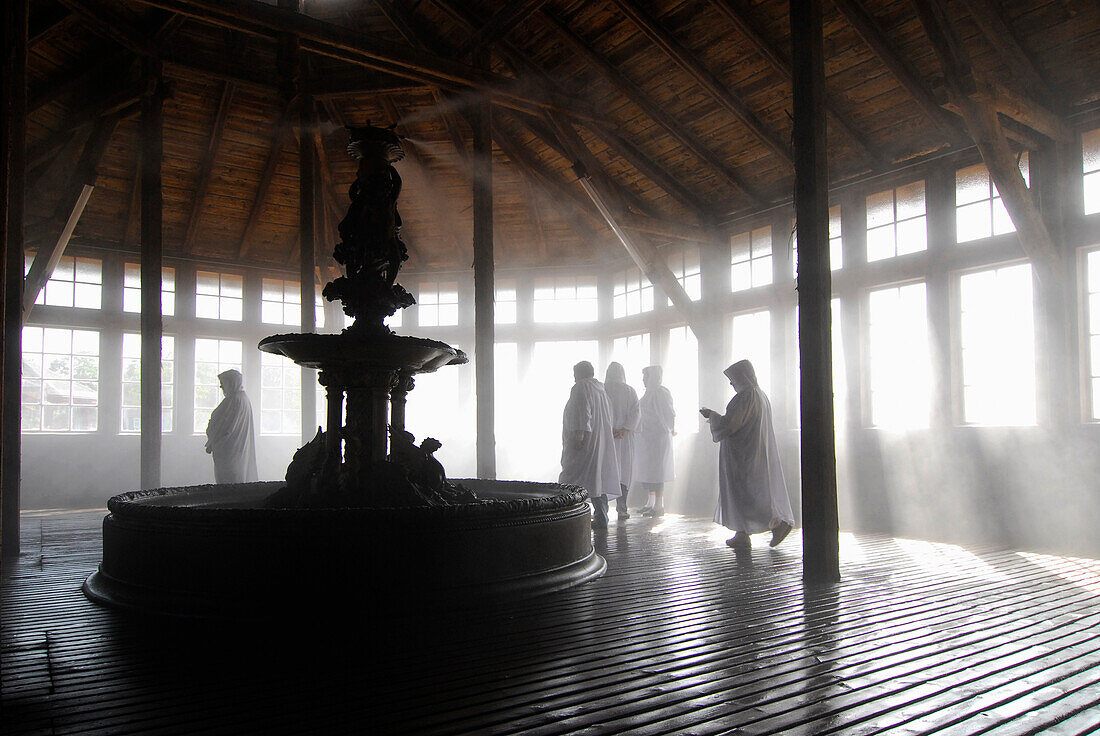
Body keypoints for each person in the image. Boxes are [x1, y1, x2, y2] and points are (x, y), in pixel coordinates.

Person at [701, 359, 794, 550]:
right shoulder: (760, 395)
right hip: (754, 450)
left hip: (743, 454)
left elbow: (731, 425)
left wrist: (712, 415)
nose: (731, 383)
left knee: (746, 493)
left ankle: (776, 523)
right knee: (749, 492)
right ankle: (742, 533)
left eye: (733, 378)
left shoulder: (745, 397)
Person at [560, 360, 620, 530]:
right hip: (599, 440)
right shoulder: (600, 390)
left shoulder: (581, 387)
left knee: (573, 477)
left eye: (574, 373)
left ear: (580, 373)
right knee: (596, 479)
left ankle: (570, 515)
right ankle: (601, 516)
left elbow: (582, 413)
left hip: (585, 442)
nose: (573, 377)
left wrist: (579, 437)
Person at [634, 365, 675, 517]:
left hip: (658, 437)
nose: (644, 380)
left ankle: (659, 505)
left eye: (646, 377)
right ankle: (650, 502)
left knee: (658, 470)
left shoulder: (661, 392)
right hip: (647, 437)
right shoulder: (648, 393)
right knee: (649, 470)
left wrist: (668, 428)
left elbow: (669, 413)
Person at [205, 369, 258, 484]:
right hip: (236, 450)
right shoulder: (243, 399)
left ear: (231, 383)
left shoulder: (234, 400)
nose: (221, 387)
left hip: (229, 451)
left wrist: (213, 441)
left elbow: (224, 426)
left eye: (223, 384)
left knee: (228, 482)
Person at [604, 362, 640, 520]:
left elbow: (599, 412)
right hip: (623, 437)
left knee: (606, 472)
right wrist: (625, 429)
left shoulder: (603, 389)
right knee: (623, 473)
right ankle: (622, 509)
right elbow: (636, 412)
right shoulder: (629, 390)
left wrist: (609, 428)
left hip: (608, 437)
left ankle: (602, 510)